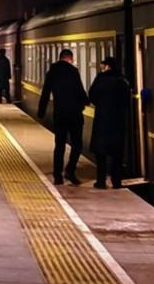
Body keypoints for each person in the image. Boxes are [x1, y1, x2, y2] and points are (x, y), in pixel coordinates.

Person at [38, 46, 88, 185]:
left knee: (59, 145)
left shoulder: (52, 71)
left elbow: (45, 92)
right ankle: (70, 170)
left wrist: (41, 111)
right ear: (70, 58)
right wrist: (86, 101)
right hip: (74, 114)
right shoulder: (73, 71)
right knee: (77, 145)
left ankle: (57, 175)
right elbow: (80, 90)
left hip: (59, 114)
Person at [88, 54, 132, 188]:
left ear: (107, 66)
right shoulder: (122, 80)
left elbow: (92, 96)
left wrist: (101, 105)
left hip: (102, 120)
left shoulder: (100, 79)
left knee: (101, 154)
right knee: (116, 154)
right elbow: (127, 100)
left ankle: (101, 181)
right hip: (118, 121)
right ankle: (116, 181)